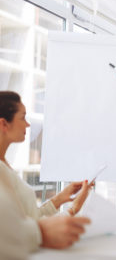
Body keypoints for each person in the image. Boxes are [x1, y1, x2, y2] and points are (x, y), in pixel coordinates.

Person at [0, 91, 91, 253]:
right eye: (22, 118)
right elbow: (14, 232)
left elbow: (28, 217)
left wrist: (59, 199)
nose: (27, 125)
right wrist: (73, 209)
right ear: (3, 124)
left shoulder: (5, 166)